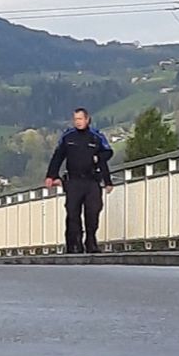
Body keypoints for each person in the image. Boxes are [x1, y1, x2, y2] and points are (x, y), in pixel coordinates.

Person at [43, 108, 117, 255]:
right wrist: (51, 176)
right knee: (73, 213)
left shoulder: (96, 136)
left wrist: (107, 181)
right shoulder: (68, 137)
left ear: (87, 119)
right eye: (76, 119)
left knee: (93, 212)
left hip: (92, 181)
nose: (78, 122)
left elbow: (108, 153)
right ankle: (74, 244)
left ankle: (91, 242)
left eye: (80, 119)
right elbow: (58, 157)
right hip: (73, 181)